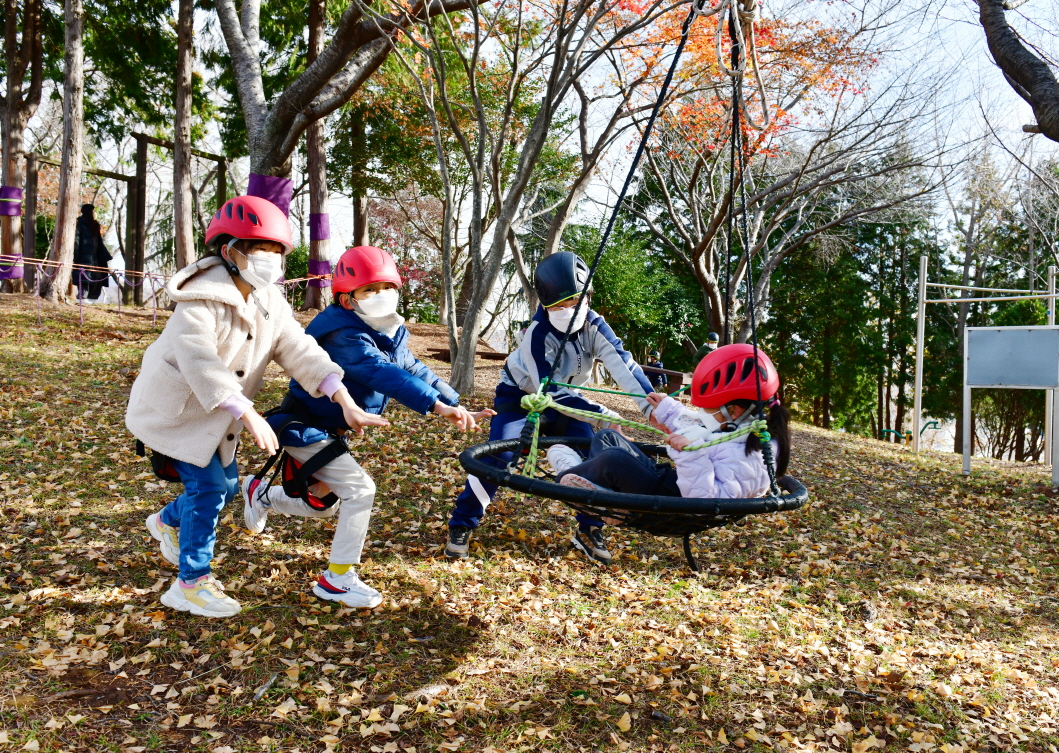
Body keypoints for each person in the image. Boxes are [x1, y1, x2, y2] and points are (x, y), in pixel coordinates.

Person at [126, 196, 387, 618]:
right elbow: (201, 363)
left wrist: (343, 398)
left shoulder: (269, 300)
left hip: (216, 414)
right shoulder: (198, 300)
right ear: (230, 252)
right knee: (210, 488)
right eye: (260, 251)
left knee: (227, 488)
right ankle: (190, 584)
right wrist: (246, 412)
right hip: (176, 414)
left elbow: (299, 349)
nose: (271, 261)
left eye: (276, 252)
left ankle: (166, 521)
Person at [241, 245, 495, 607]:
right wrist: (433, 405)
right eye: (369, 290)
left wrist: (453, 402)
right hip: (302, 425)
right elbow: (382, 371)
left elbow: (412, 367)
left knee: (322, 504)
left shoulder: (387, 327)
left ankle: (261, 494)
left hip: (327, 431)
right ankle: (337, 580)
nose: (381, 296)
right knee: (360, 491)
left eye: (386, 287)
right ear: (347, 299)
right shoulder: (344, 335)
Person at [446, 251, 655, 565]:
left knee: (593, 459)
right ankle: (462, 523)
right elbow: (552, 391)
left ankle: (589, 530)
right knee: (499, 455)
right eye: (560, 304)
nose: (569, 310)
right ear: (544, 303)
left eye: (576, 301)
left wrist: (653, 408)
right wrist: (603, 416)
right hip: (521, 400)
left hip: (569, 403)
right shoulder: (537, 335)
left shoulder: (595, 326)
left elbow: (623, 365)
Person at [548, 343, 790, 502]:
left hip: (672, 501)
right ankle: (597, 486)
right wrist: (667, 408)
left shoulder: (753, 456)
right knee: (608, 438)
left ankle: (571, 477)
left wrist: (690, 453)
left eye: (707, 407)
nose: (701, 412)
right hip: (668, 484)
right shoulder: (736, 428)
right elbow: (697, 425)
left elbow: (708, 500)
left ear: (734, 410)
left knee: (615, 459)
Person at [74, 204, 112, 301]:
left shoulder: (95, 225)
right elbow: (77, 241)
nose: (93, 213)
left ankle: (93, 298)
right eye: (91, 211)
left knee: (97, 276)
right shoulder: (80, 224)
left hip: (96, 256)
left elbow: (99, 241)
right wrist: (76, 256)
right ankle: (83, 297)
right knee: (84, 277)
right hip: (83, 256)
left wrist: (104, 254)